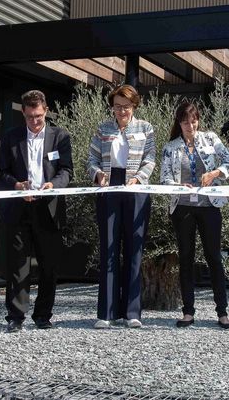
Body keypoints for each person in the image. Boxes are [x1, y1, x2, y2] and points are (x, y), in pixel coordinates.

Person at [0, 90, 73, 333]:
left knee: (49, 265)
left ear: (46, 111)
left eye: (38, 116)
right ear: (23, 113)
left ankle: (43, 315)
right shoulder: (11, 137)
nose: (35, 121)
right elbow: (2, 172)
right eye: (30, 116)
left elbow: (66, 170)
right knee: (18, 264)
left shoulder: (60, 136)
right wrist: (17, 186)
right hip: (19, 208)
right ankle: (15, 317)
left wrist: (53, 185)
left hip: (48, 208)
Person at [160, 101, 229, 328]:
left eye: (193, 121)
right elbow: (164, 178)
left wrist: (215, 173)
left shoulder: (211, 139)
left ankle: (222, 312)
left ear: (198, 121)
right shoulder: (170, 147)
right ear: (179, 123)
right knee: (186, 257)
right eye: (185, 122)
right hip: (182, 208)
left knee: (214, 257)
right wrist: (178, 185)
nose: (190, 126)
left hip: (209, 206)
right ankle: (188, 312)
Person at [88, 84, 155, 329]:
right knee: (108, 247)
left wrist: (138, 178)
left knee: (134, 249)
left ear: (134, 106)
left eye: (126, 106)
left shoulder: (146, 128)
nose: (121, 111)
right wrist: (98, 174)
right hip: (109, 187)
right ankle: (106, 313)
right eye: (117, 106)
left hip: (136, 188)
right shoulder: (103, 128)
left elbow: (150, 159)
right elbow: (92, 158)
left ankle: (132, 313)